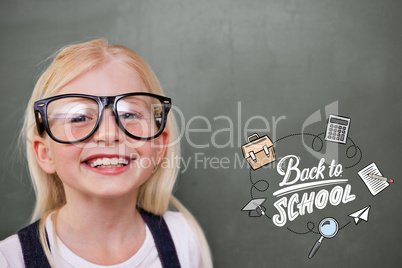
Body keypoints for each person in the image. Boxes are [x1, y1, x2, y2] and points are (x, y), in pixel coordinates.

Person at [0, 39, 212, 268]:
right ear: (45, 154)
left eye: (130, 114)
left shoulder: (183, 239)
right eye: (79, 117)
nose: (109, 134)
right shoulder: (10, 260)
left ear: (159, 146)